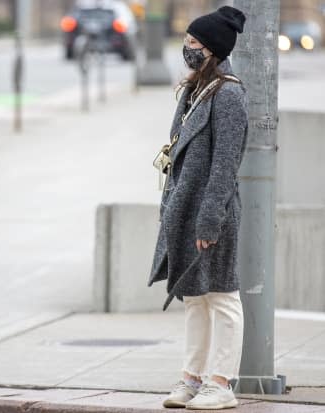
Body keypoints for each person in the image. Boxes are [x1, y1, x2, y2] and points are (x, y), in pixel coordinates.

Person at [148, 6, 248, 410]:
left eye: (193, 43)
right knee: (194, 296)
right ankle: (191, 377)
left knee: (222, 296)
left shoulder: (229, 94)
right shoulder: (194, 91)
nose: (186, 48)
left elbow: (226, 164)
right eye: (187, 40)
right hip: (184, 209)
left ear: (212, 49)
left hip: (212, 211)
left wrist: (210, 218)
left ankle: (220, 383)